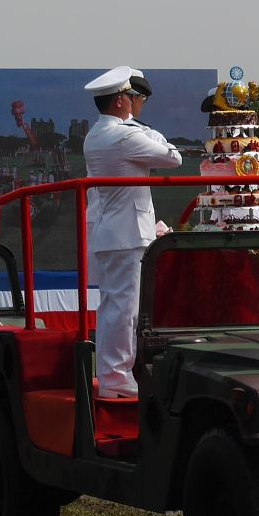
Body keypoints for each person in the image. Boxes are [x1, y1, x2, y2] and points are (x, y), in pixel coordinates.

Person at [81, 66, 182, 399]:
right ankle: (117, 376)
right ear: (122, 101)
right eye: (135, 98)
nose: (139, 104)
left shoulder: (95, 134)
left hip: (111, 232)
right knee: (125, 310)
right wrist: (152, 134)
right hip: (127, 234)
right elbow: (173, 158)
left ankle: (113, 375)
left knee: (113, 307)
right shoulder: (125, 136)